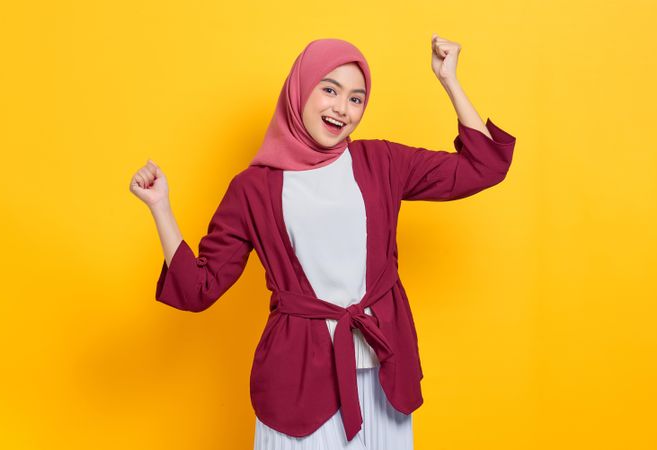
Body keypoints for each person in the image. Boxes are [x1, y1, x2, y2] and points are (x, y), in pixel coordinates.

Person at [130, 35, 516, 450]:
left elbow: (484, 166)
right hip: (298, 383)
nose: (341, 109)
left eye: (355, 98)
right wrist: (161, 208)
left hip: (384, 373)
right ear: (300, 89)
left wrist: (449, 80)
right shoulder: (252, 190)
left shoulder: (381, 162)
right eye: (329, 90)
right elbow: (197, 289)